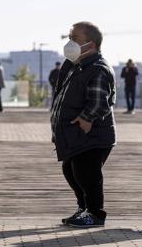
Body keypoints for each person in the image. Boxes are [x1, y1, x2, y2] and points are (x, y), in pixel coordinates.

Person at [50, 21, 116, 228]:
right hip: (74, 134)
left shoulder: (97, 68)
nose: (70, 43)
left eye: (75, 39)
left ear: (91, 44)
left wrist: (87, 118)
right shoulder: (76, 67)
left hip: (92, 134)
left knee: (87, 174)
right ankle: (84, 208)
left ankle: (95, 213)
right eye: (69, 38)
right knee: (71, 170)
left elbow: (100, 101)